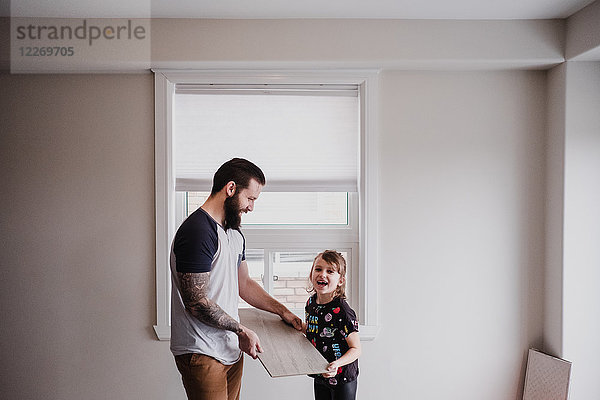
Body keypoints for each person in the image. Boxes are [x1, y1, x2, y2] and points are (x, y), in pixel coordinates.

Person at [170, 158, 303, 400]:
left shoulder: (233, 232)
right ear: (231, 189)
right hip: (201, 350)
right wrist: (242, 329)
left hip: (230, 347)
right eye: (250, 198)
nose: (251, 207)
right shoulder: (197, 231)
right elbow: (196, 301)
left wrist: (283, 311)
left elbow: (245, 284)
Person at [305, 250, 361, 400]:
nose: (322, 274)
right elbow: (315, 331)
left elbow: (356, 349)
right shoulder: (311, 304)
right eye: (318, 269)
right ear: (311, 274)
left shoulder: (342, 311)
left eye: (330, 271)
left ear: (340, 280)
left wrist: (336, 364)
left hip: (342, 378)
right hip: (320, 373)